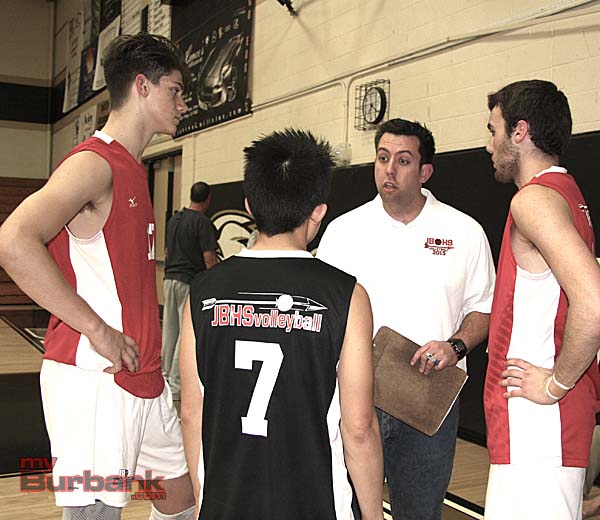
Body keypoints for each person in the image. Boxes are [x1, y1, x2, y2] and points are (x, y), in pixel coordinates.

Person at [0, 33, 196, 519]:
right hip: (95, 380)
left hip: (142, 375)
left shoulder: (132, 170)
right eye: (175, 90)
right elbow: (13, 241)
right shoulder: (94, 164)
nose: (183, 104)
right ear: (142, 86)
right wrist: (96, 329)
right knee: (95, 514)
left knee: (181, 498)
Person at [179, 128, 384, 520]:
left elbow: (192, 412)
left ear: (248, 206)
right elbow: (358, 428)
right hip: (314, 505)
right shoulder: (347, 295)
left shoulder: (202, 290)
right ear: (318, 211)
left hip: (226, 504)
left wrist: (204, 498)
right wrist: (374, 516)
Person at [317, 118, 495, 520]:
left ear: (424, 172)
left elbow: (485, 307)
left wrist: (455, 347)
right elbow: (321, 313)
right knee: (350, 510)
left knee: (420, 513)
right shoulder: (343, 232)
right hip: (356, 397)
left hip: (429, 399)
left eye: (403, 160)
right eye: (382, 158)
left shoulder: (464, 232)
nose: (389, 170)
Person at [483, 79, 600, 520]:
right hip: (541, 429)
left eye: (493, 130)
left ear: (520, 131)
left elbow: (594, 303)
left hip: (538, 426)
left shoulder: (534, 201)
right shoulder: (565, 194)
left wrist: (555, 385)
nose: (488, 145)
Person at [162, 181, 218, 399]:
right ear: (208, 199)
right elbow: (209, 258)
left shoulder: (174, 220)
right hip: (189, 281)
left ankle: (166, 379)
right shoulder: (202, 223)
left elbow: (167, 251)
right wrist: (217, 281)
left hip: (169, 279)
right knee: (185, 335)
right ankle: (176, 385)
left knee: (169, 331)